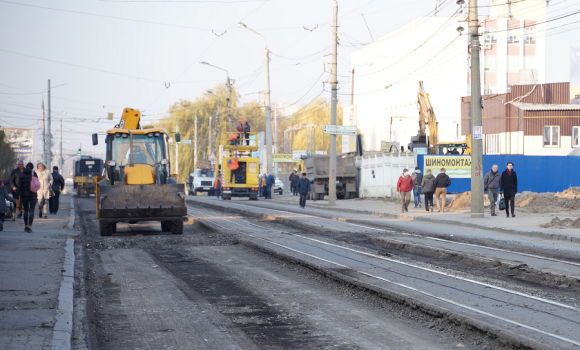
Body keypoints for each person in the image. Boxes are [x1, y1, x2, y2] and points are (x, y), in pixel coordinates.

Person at [16, 163, 38, 233]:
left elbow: (19, 186)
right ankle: (29, 227)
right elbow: (37, 183)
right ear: (32, 167)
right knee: (31, 210)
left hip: (24, 195)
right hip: (33, 194)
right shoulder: (34, 173)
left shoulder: (22, 174)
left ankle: (25, 226)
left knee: (25, 210)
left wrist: (16, 197)